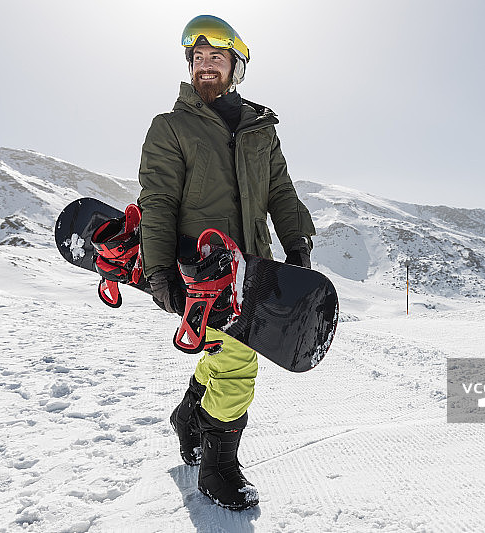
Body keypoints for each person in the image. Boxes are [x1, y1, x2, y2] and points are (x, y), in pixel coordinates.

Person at [136, 14, 315, 510]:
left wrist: (297, 245)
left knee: (224, 352)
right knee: (239, 363)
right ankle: (218, 468)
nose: (205, 66)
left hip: (253, 266)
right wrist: (158, 270)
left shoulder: (261, 130)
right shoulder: (171, 127)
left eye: (216, 57)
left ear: (236, 66)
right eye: (198, 58)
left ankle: (189, 414)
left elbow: (280, 192)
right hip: (203, 269)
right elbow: (158, 200)